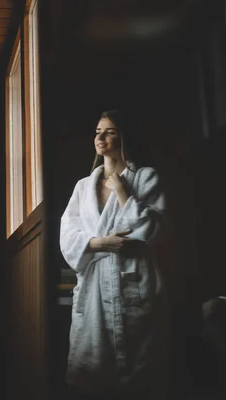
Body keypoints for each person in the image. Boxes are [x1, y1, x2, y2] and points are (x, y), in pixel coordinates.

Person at [59, 110, 169, 399]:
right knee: (94, 370)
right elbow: (68, 235)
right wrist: (100, 243)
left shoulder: (144, 177)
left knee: (138, 368)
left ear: (123, 136)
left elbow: (152, 228)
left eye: (109, 131)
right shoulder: (83, 187)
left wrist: (122, 192)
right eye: (97, 131)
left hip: (131, 278)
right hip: (95, 282)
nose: (100, 137)